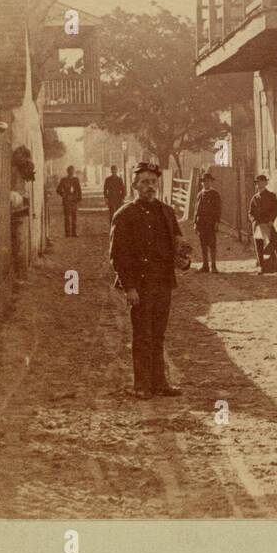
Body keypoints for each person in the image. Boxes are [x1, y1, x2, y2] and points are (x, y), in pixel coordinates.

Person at [109, 162, 185, 400]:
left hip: (163, 282)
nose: (150, 187)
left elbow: (178, 245)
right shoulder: (124, 215)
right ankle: (142, 385)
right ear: (134, 186)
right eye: (144, 182)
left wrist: (183, 260)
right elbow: (118, 256)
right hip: (140, 286)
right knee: (142, 335)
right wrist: (129, 287)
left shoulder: (167, 212)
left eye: (153, 182)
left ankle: (160, 383)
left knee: (159, 334)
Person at [248, 174, 277, 273]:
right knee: (259, 245)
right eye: (258, 183)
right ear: (256, 185)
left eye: (262, 182)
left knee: (275, 243)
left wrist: (271, 220)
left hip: (268, 224)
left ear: (266, 183)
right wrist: (254, 221)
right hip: (258, 225)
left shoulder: (271, 196)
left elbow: (275, 210)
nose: (260, 184)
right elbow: (250, 212)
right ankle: (262, 266)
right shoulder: (254, 198)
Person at [193, 170, 221, 273]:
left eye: (208, 181)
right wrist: (195, 223)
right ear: (202, 183)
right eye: (204, 181)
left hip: (211, 223)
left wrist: (217, 222)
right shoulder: (200, 194)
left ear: (211, 182)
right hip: (201, 224)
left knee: (212, 244)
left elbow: (218, 209)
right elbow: (196, 209)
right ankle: (205, 265)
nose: (206, 183)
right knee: (203, 244)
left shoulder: (215, 194)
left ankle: (213, 266)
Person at [56, 165, 82, 237]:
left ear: (74, 172)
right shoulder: (63, 180)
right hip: (67, 200)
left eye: (72, 171)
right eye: (70, 171)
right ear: (68, 172)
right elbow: (58, 189)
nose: (71, 172)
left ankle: (74, 232)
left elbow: (79, 189)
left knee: (74, 216)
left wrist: (79, 198)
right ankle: (67, 233)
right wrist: (63, 194)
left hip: (74, 200)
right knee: (67, 217)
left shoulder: (76, 180)